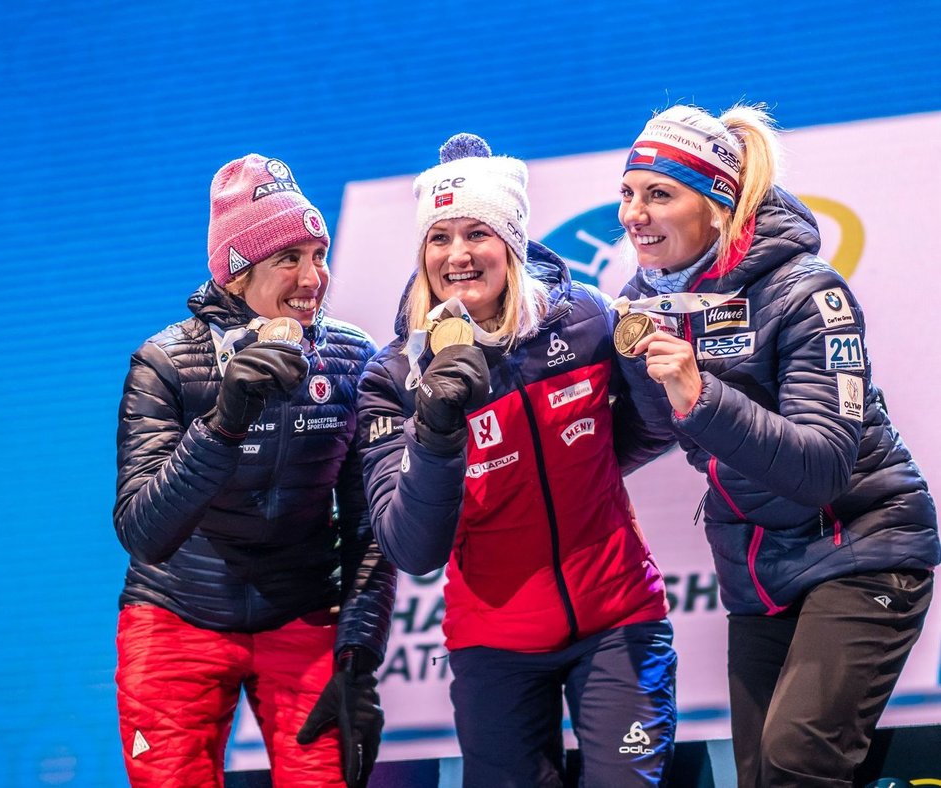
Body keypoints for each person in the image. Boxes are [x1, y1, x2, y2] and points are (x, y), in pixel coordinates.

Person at [612, 103, 940, 787]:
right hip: (756, 568)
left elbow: (821, 466)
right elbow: (646, 429)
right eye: (628, 192)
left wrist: (700, 395)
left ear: (718, 207)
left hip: (864, 545)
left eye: (659, 194)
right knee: (764, 777)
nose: (632, 214)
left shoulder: (808, 293)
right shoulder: (644, 304)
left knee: (798, 762)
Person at [357, 133, 677, 787]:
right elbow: (412, 548)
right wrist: (439, 433)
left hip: (618, 616)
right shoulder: (394, 377)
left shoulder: (583, 320)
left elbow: (649, 429)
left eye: (477, 232)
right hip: (494, 642)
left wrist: (590, 468)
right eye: (439, 238)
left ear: (512, 242)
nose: (458, 254)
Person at [113, 154, 396, 788]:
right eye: (287, 259)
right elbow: (143, 530)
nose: (312, 277)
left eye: (317, 254)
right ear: (237, 273)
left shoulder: (351, 357)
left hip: (302, 616)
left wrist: (358, 660)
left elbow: (370, 527)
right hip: (175, 617)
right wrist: (224, 420)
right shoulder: (165, 362)